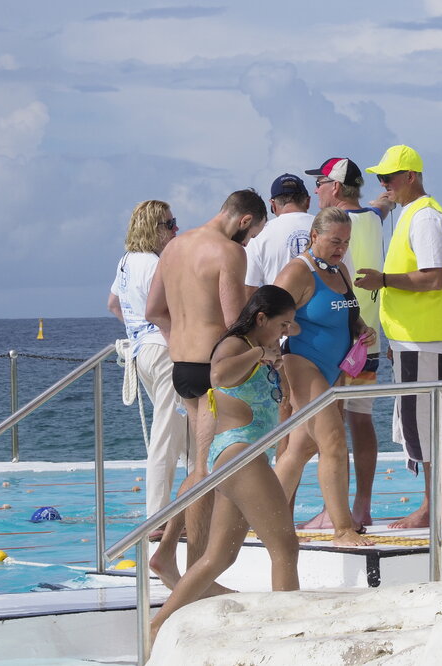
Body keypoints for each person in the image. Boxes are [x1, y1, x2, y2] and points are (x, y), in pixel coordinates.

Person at [149, 286, 301, 645]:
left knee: (218, 557)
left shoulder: (259, 347)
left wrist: (276, 349)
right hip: (240, 452)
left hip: (241, 454)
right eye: (281, 324)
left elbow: (281, 341)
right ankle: (290, 634)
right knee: (285, 548)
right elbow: (218, 376)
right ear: (261, 318)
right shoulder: (236, 346)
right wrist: (261, 353)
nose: (284, 332)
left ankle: (158, 625)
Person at [144, 189, 267, 588]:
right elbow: (235, 322)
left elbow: (153, 312)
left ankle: (167, 555)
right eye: (250, 235)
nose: (247, 244)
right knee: (205, 471)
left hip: (182, 364)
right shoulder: (229, 253)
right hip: (212, 370)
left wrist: (180, 337)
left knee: (201, 463)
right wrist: (265, 351)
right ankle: (194, 577)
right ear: (244, 221)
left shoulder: (174, 247)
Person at [354, 145, 442, 529]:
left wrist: (382, 280)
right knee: (427, 421)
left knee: (428, 424)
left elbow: (432, 278)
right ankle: (440, 506)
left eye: (389, 178)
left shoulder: (425, 217)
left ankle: (435, 507)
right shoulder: (411, 215)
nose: (383, 185)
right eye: (379, 179)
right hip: (415, 338)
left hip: (425, 337)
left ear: (411, 176)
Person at [273, 207, 376, 547]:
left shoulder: (340, 269)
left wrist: (362, 329)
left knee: (300, 449)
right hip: (304, 364)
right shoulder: (297, 273)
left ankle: (262, 517)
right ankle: (343, 529)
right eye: (334, 241)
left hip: (336, 369)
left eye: (345, 242)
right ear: (313, 236)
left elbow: (349, 312)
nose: (340, 248)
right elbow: (266, 318)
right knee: (333, 441)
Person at [301, 157, 388, 529]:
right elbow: (379, 208)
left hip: (337, 345)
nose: (315, 190)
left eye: (320, 183)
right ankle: (361, 505)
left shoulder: (333, 229)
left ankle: (332, 510)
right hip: (368, 342)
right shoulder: (371, 219)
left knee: (329, 432)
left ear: (335, 188)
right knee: (361, 422)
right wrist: (387, 200)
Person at [108, 200, 188, 520]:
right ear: (153, 228)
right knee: (168, 437)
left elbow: (114, 304)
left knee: (185, 433)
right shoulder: (156, 264)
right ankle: (157, 516)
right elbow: (173, 309)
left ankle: (196, 507)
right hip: (164, 351)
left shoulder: (126, 262)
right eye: (169, 224)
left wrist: (139, 330)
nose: (175, 229)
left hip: (143, 352)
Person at [244, 174, 314, 300]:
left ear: (273, 204)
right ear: (308, 201)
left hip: (280, 317)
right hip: (325, 316)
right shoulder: (328, 228)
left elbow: (249, 287)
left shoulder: (259, 235)